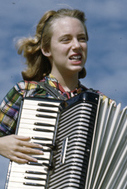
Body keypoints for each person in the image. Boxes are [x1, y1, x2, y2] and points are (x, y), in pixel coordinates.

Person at [0, 8, 105, 164]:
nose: (77, 45)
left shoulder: (99, 102)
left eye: (81, 39)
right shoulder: (25, 92)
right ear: (46, 49)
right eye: (66, 39)